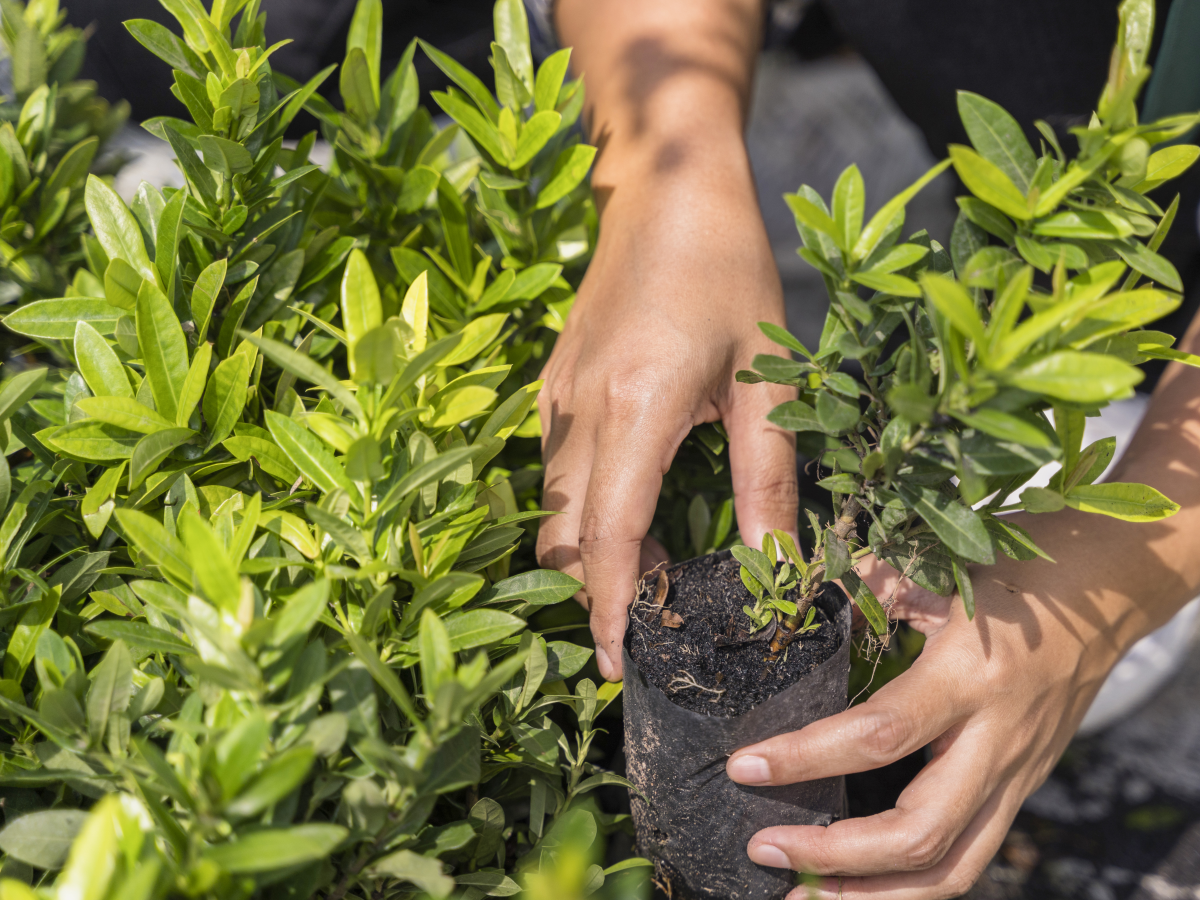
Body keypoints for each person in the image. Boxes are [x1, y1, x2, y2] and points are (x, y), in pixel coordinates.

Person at [531, 0, 1200, 896]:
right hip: (1018, 284)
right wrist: (669, 181)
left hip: (1113, 335)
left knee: (1074, 647)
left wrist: (1111, 592)